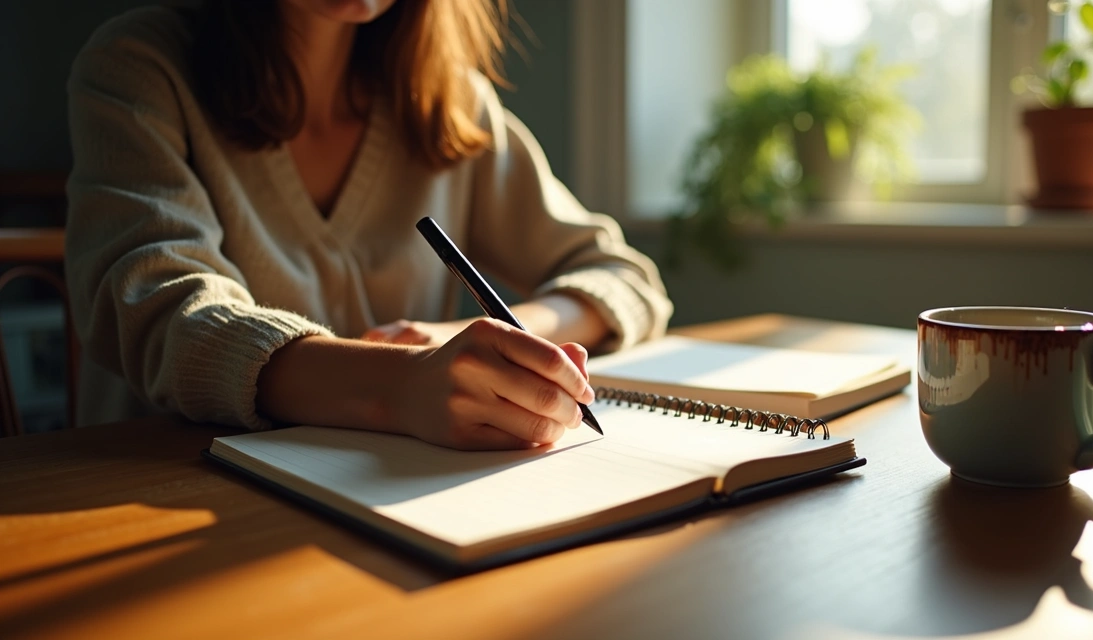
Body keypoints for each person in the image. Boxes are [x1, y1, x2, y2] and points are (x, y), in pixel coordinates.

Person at [64, 0, 672, 449]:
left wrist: (473, 342)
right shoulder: (140, 68)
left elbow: (623, 278)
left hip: (388, 506)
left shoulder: (451, 102)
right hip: (167, 490)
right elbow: (156, 308)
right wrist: (400, 386)